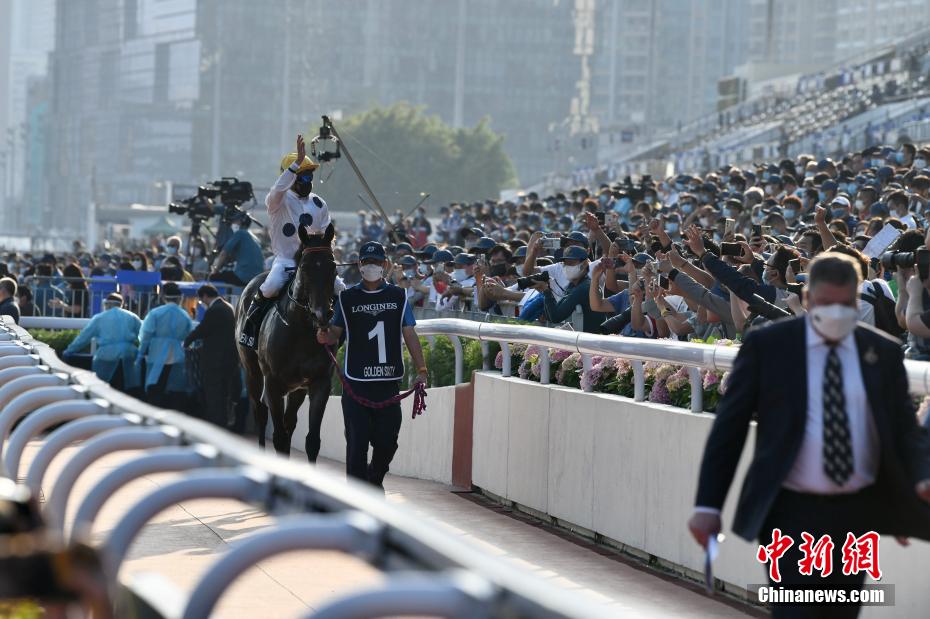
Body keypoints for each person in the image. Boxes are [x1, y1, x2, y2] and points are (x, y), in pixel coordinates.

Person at [688, 254, 930, 618]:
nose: (835, 313)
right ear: (807, 298)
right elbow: (730, 428)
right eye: (825, 304)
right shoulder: (768, 347)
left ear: (856, 299)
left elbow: (902, 429)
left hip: (856, 515)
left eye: (844, 304)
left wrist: (920, 478)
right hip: (789, 514)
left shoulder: (881, 352)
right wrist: (708, 505)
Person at [316, 241, 428, 491]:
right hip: (356, 385)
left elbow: (409, 333)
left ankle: (374, 479)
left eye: (376, 262)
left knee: (388, 443)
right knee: (356, 445)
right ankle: (358, 499)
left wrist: (422, 370)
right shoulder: (347, 298)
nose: (371, 267)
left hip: (388, 385)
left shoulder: (398, 296)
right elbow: (334, 333)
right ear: (359, 265)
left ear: (385, 265)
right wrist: (325, 336)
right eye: (366, 262)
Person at [243, 134, 331, 345]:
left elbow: (328, 238)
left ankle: (343, 334)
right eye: (303, 176)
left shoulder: (319, 203)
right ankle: (250, 329)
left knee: (340, 288)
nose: (308, 181)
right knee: (270, 286)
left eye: (309, 176)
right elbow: (277, 189)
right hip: (287, 261)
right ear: (291, 178)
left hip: (313, 262)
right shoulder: (277, 202)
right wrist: (296, 164)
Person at [184, 285, 240, 429]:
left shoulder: (215, 310)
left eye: (201, 299)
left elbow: (202, 329)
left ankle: (216, 425)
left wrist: (187, 341)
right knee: (223, 393)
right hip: (228, 359)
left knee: (214, 394)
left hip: (216, 360)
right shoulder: (227, 306)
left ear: (205, 296)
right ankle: (222, 424)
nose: (202, 302)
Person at [63, 293, 142, 394]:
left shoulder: (99, 318)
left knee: (103, 389)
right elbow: (144, 337)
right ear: (121, 304)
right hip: (129, 355)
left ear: (107, 304)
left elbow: (84, 338)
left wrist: (69, 350)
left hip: (106, 356)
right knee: (129, 390)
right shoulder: (132, 317)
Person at [137, 282, 194, 408]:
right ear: (180, 298)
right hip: (177, 354)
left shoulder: (155, 313)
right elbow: (189, 336)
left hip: (157, 353)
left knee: (155, 388)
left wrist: (141, 353)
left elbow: (146, 334)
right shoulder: (185, 315)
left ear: (163, 297)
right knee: (175, 391)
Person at [209, 211, 264, 286]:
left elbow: (223, 253)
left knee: (213, 277)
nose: (232, 223)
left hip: (243, 277)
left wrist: (215, 269)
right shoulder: (254, 237)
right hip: (257, 279)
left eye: (235, 221)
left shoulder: (240, 233)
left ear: (242, 221)